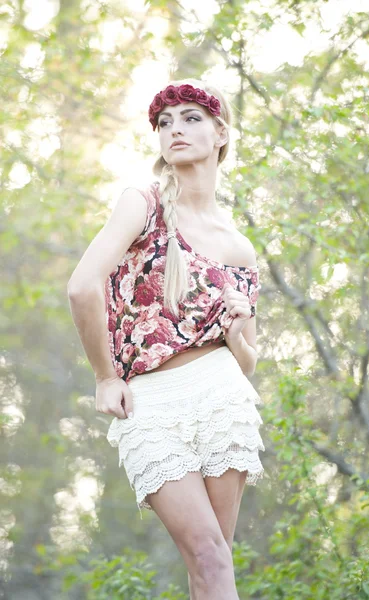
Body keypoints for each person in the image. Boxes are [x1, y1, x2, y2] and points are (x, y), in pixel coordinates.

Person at [67, 78, 265, 600]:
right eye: (164, 123)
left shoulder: (238, 246)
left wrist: (236, 332)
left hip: (222, 394)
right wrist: (106, 377)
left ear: (221, 132)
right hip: (151, 402)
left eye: (191, 118)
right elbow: (82, 287)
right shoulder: (144, 203)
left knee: (215, 563)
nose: (174, 129)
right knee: (205, 554)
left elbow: (246, 361)